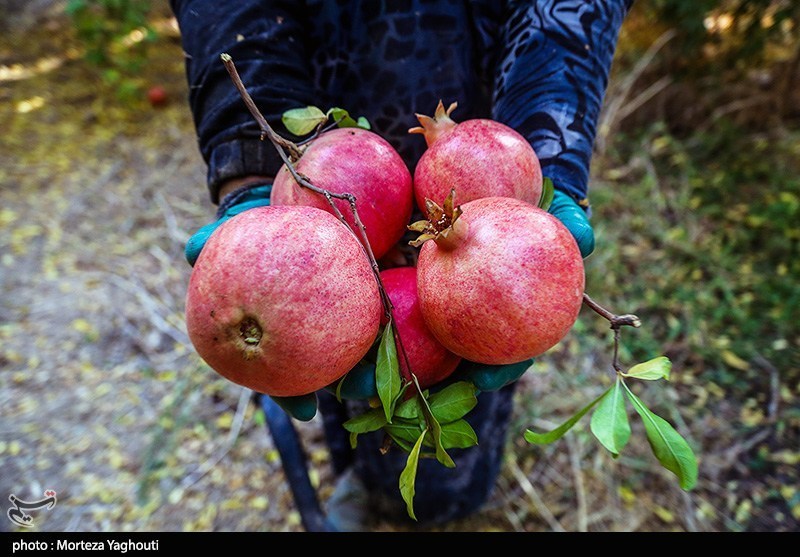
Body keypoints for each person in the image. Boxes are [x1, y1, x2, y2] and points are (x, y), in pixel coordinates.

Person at [169, 0, 633, 530]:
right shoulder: (316, 198)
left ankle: (450, 496)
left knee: (459, 399)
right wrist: (250, 154)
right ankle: (361, 477)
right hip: (318, 124)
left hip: (491, 102)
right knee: (345, 381)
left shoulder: (464, 239)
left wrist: (550, 135)